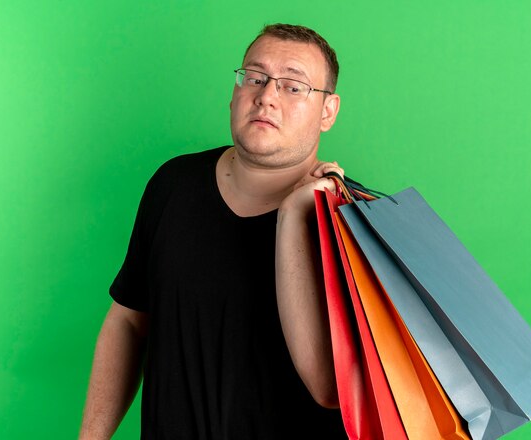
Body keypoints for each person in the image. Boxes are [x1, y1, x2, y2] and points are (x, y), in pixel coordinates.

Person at [80, 23, 348, 439]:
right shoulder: (174, 184)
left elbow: (331, 389)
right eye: (255, 78)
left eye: (293, 86)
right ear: (235, 92)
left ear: (328, 111)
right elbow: (128, 322)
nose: (266, 97)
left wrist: (296, 214)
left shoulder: (347, 223)